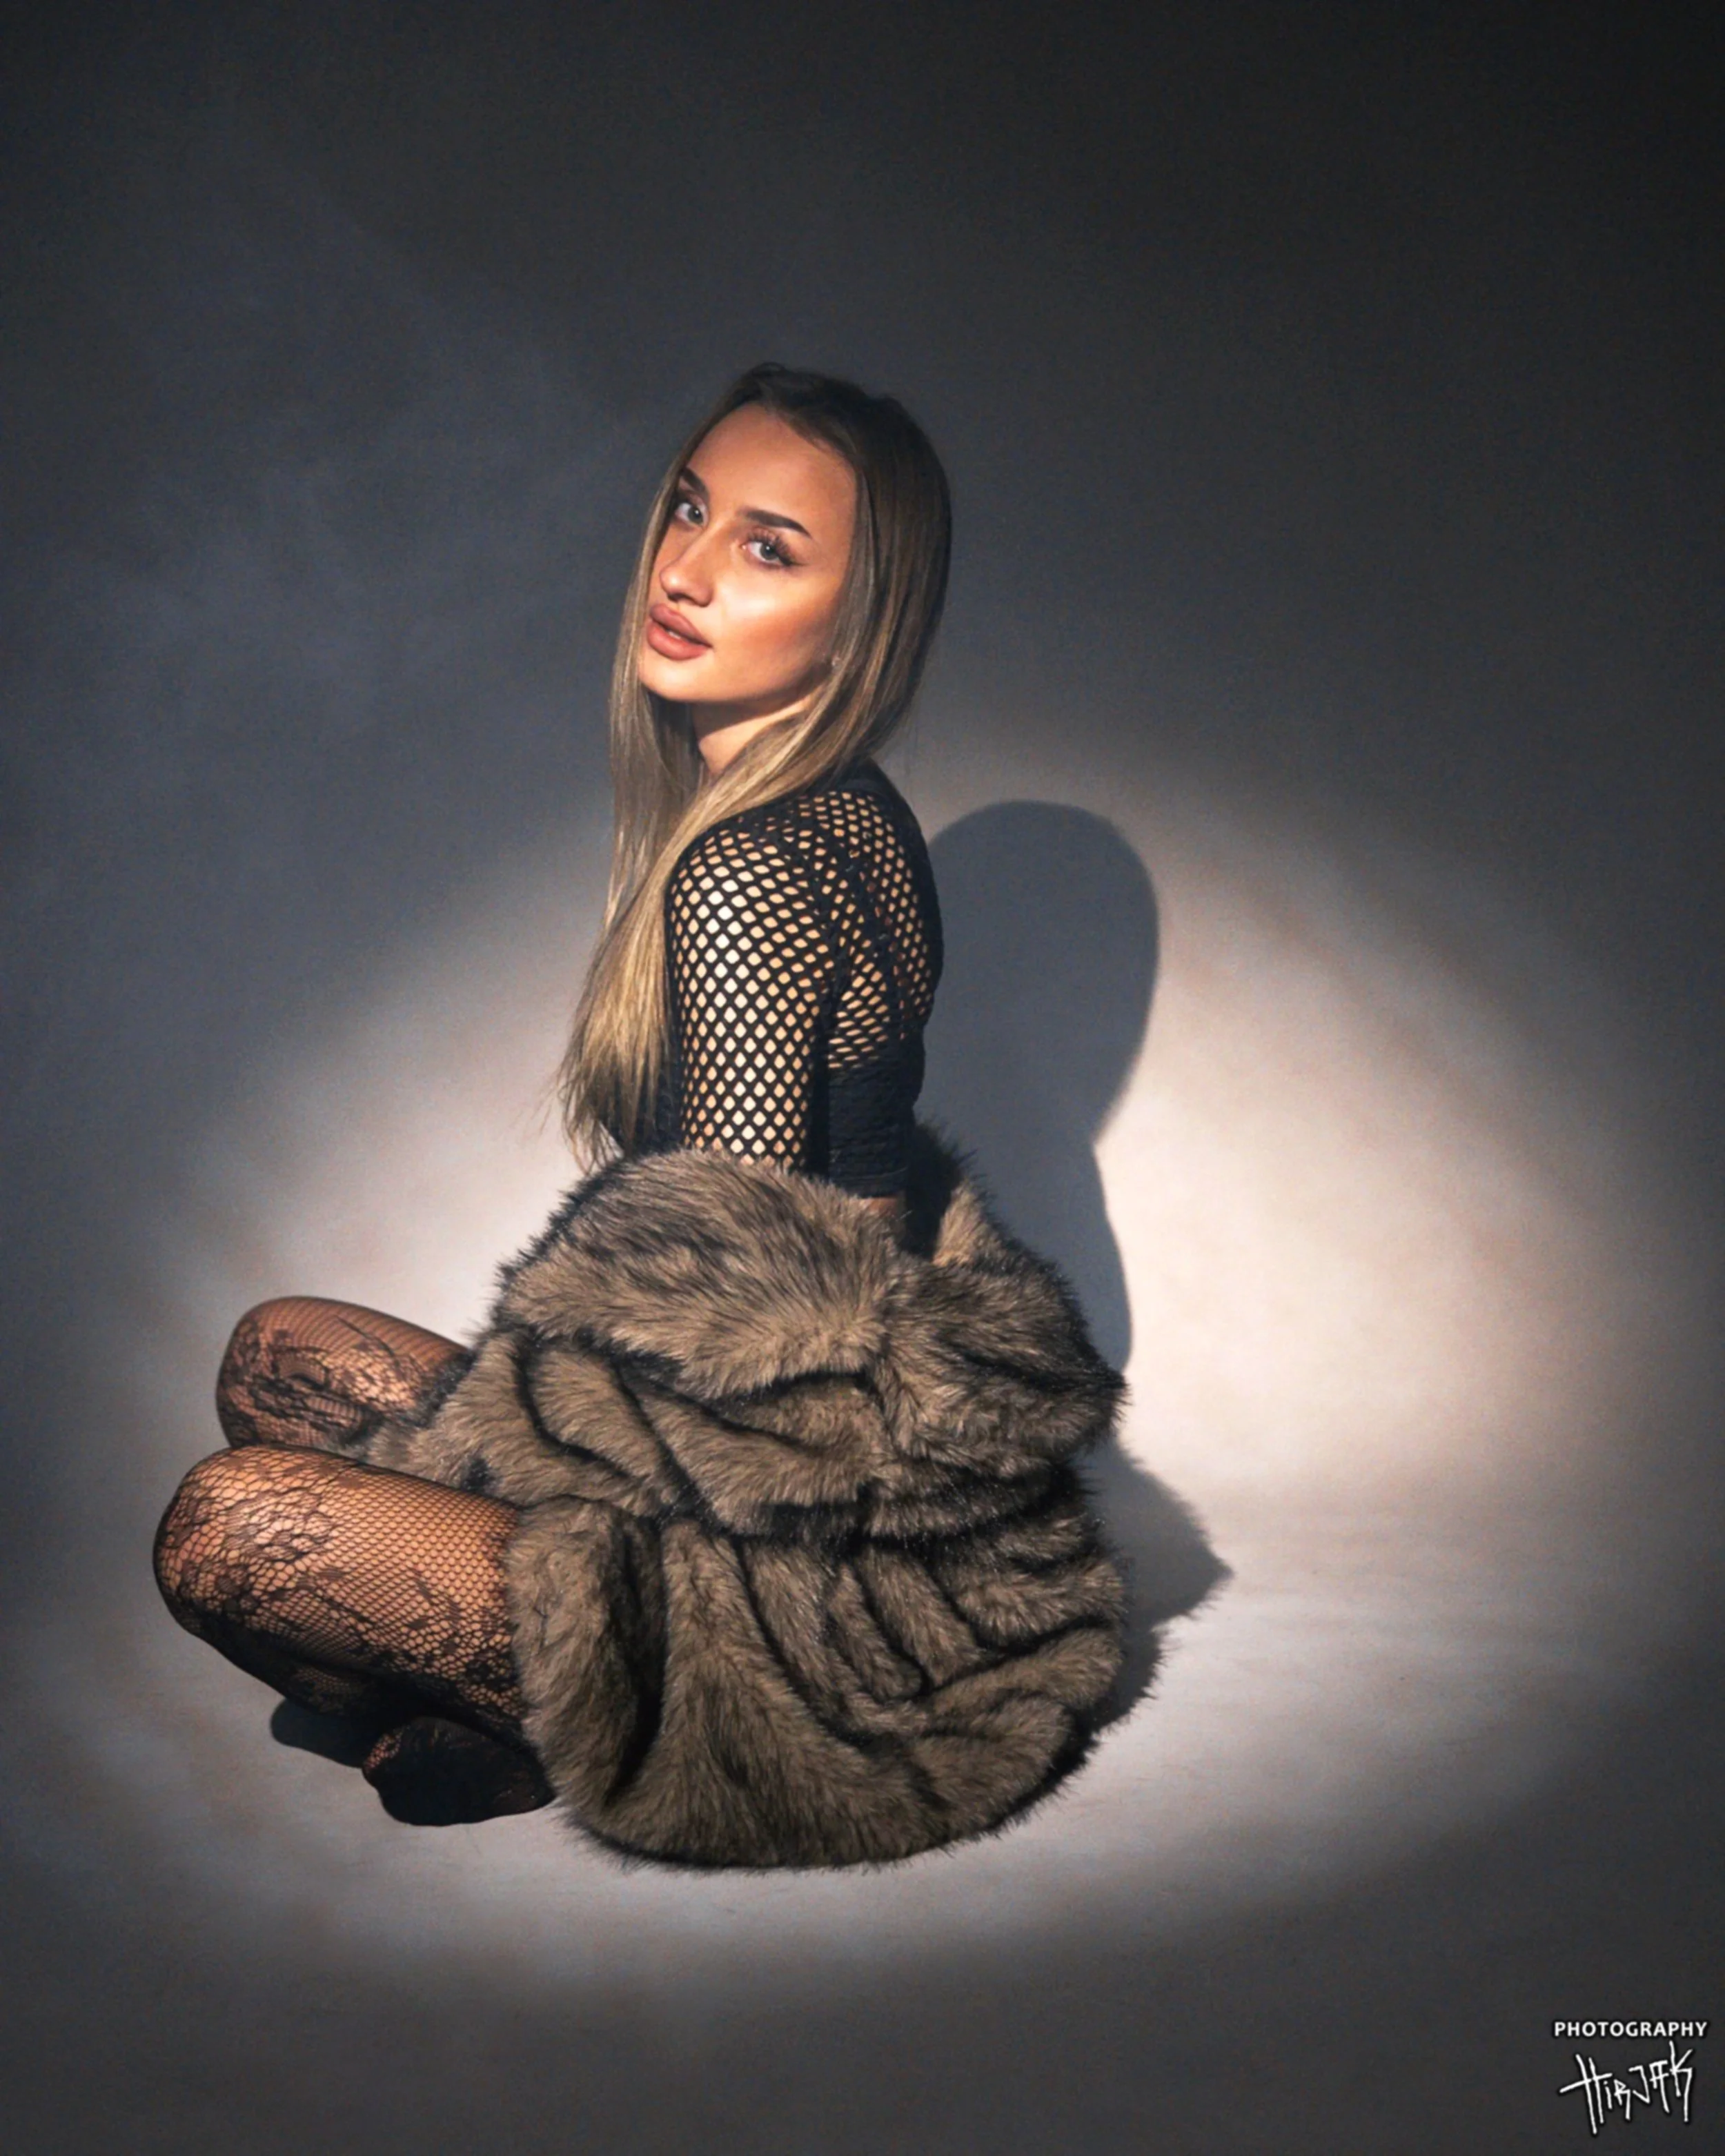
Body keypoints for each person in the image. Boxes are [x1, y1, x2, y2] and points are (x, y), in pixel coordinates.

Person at [154, 365, 1127, 1866]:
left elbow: (703, 1350)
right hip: (853, 1474)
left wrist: (466, 1480)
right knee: (275, 1354)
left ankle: (572, 1707)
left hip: (780, 1585)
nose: (680, 570)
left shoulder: (742, 878)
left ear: (859, 616)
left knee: (226, 1528)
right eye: (688, 508)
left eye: (765, 546)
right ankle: (479, 1702)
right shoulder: (850, 810)